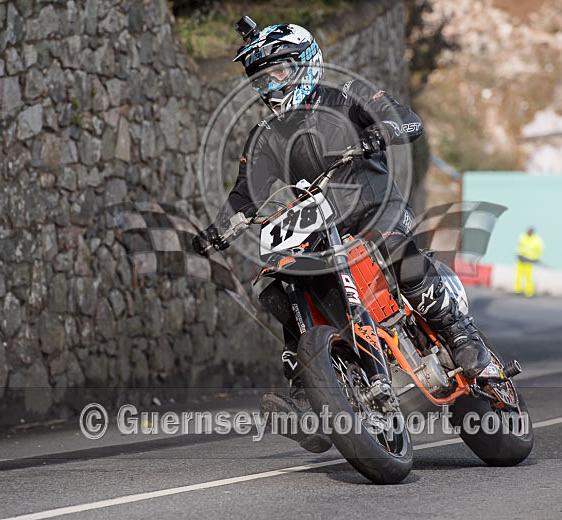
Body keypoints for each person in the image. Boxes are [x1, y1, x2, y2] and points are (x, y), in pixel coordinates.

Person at [193, 19, 490, 452]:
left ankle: (459, 332)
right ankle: (306, 395)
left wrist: (380, 131)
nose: (269, 88)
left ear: (304, 65)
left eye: (276, 74)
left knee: (396, 251)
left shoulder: (345, 96)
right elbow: (245, 195)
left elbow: (405, 120)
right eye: (260, 81)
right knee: (283, 282)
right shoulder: (264, 137)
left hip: (375, 209)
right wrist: (215, 232)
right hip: (320, 229)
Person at [514, 227, 543, 297]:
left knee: (528, 277)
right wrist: (518, 255)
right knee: (519, 275)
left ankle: (529, 292)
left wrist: (535, 258)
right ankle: (517, 290)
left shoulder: (536, 240)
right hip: (521, 259)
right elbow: (518, 246)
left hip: (529, 261)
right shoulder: (522, 237)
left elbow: (539, 250)